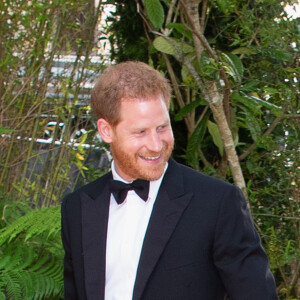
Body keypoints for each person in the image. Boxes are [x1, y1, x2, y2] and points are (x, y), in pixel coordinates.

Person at [61, 61, 278, 300]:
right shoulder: (77, 208)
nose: (156, 145)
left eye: (162, 127)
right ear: (106, 130)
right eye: (141, 132)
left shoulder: (217, 203)